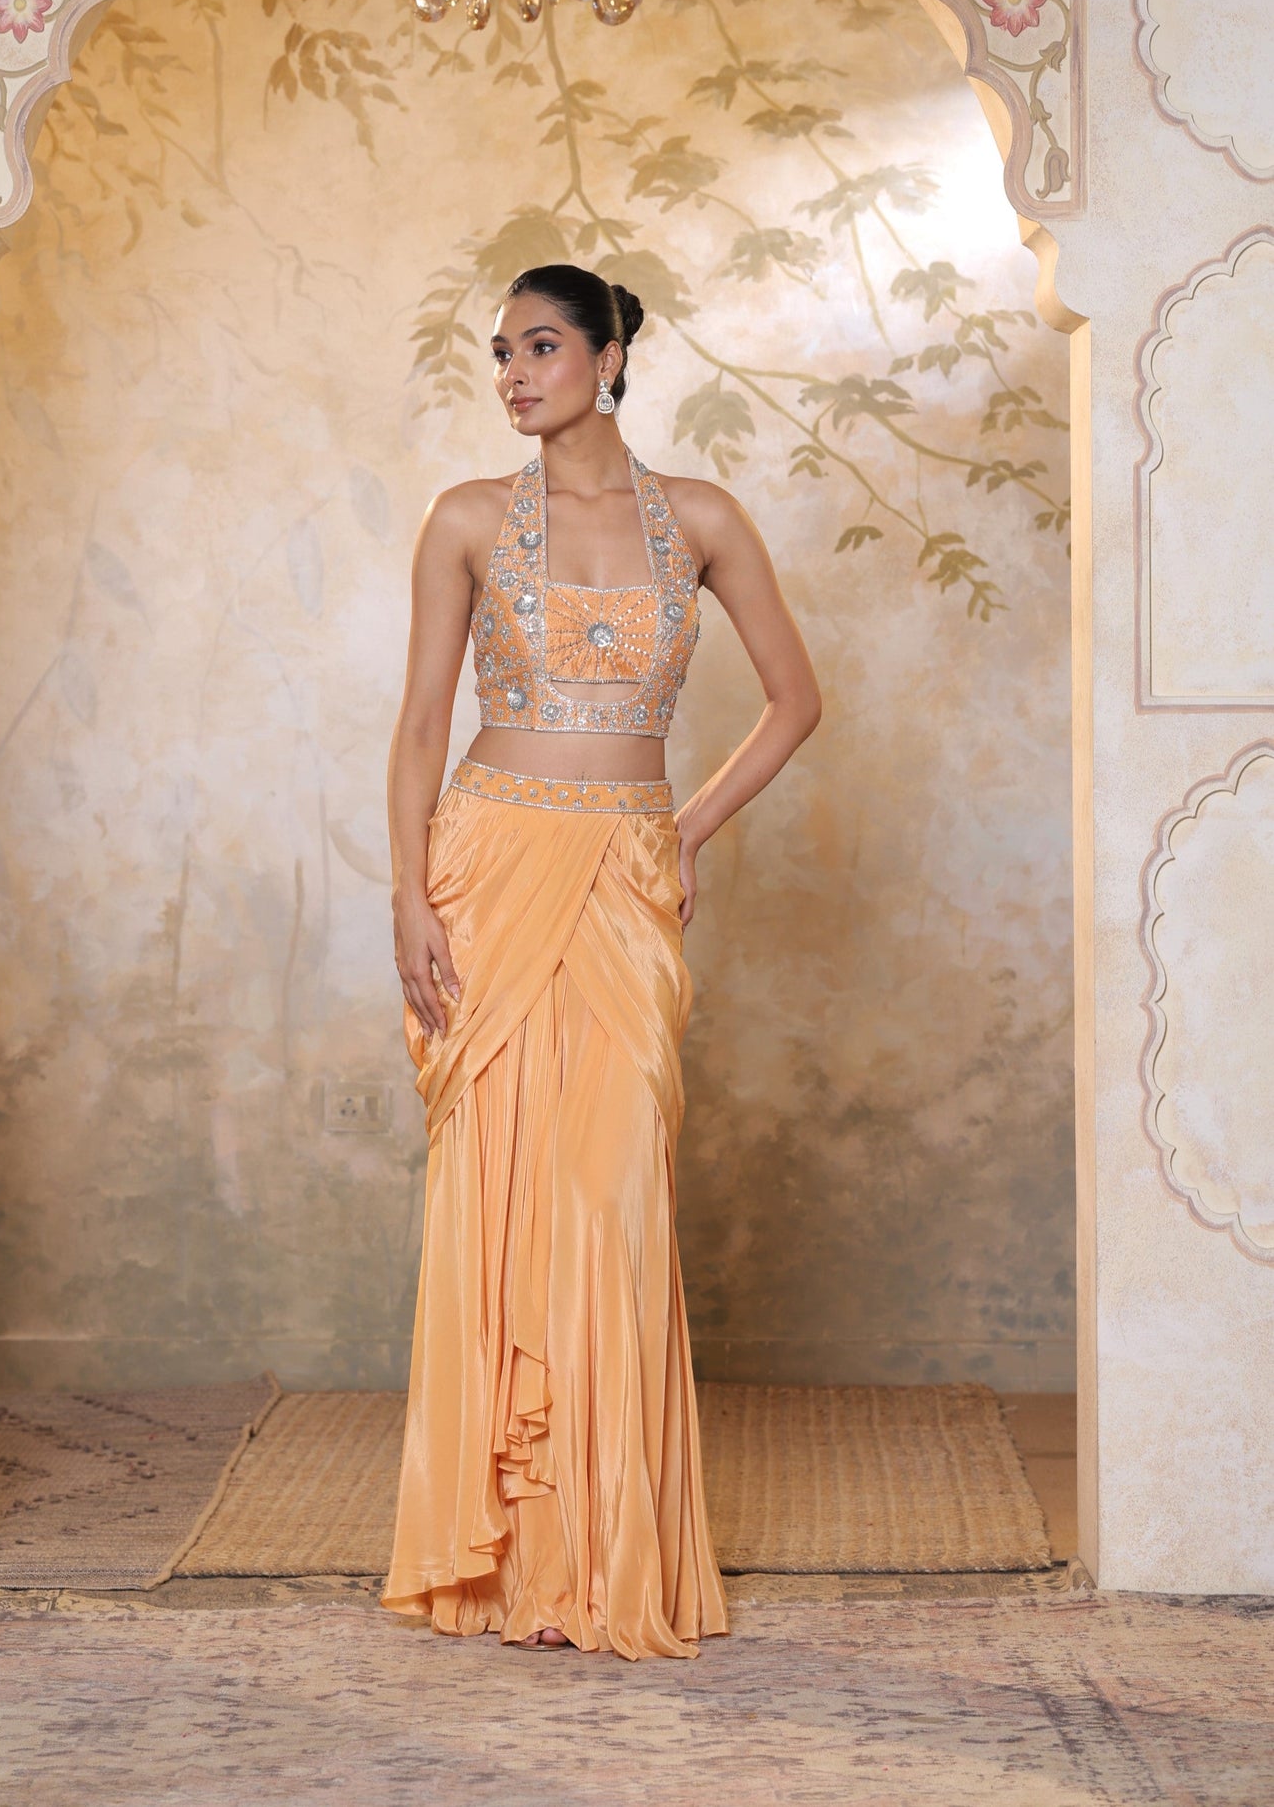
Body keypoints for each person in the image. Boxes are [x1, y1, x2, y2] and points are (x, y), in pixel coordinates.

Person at [381, 263, 822, 1660]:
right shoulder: (463, 520)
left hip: (623, 873)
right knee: (497, 1191)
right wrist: (407, 893)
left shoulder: (699, 518)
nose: (514, 372)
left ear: (610, 352)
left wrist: (683, 827)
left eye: (544, 345)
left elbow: (796, 699)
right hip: (490, 863)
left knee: (608, 1190)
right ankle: (511, 1561)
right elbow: (414, 728)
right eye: (501, 351)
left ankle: (611, 1551)